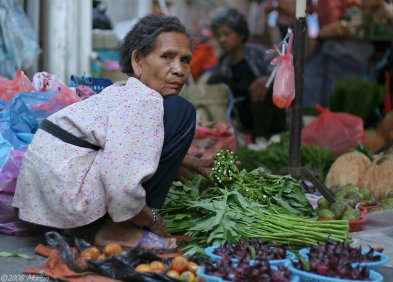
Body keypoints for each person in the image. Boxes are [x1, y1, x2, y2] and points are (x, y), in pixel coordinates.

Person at [12, 14, 208, 251]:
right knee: (182, 110)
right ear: (137, 61)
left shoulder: (123, 93)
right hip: (67, 195)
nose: (179, 69)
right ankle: (120, 229)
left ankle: (93, 227)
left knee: (174, 111)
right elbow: (121, 183)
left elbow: (121, 148)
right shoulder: (145, 101)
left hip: (43, 200)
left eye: (185, 60)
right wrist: (151, 220)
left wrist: (182, 160)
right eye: (167, 57)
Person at [209, 8, 286, 143]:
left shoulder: (257, 52)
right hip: (246, 116)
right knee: (215, 79)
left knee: (260, 88)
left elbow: (282, 74)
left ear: (240, 34)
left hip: (270, 115)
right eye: (218, 35)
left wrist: (267, 81)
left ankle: (261, 139)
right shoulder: (225, 63)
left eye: (226, 34)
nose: (222, 40)